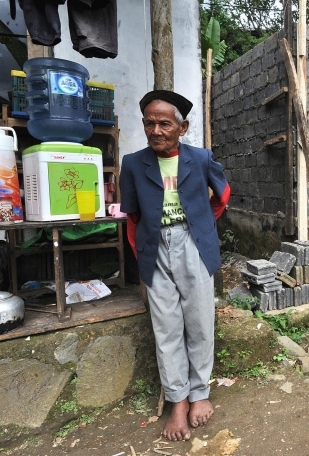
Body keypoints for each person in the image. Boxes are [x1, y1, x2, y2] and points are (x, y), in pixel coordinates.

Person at [120, 90, 230, 441]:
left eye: (164, 123)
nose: (155, 130)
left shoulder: (200, 158)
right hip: (154, 247)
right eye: (149, 123)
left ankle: (200, 393)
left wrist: (202, 223)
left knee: (198, 321)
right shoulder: (134, 163)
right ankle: (178, 401)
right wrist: (143, 251)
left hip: (193, 242)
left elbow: (223, 195)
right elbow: (132, 214)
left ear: (181, 127)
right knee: (165, 327)